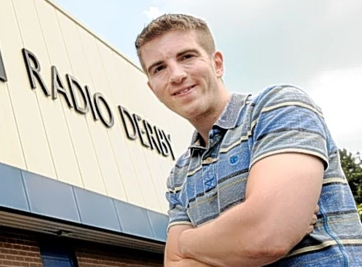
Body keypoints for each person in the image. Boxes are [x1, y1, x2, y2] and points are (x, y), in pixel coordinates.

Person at [134, 14, 362, 266]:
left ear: (217, 64)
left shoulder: (277, 107)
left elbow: (266, 235)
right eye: (159, 68)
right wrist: (243, 233)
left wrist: (187, 243)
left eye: (186, 56)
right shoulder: (179, 177)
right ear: (152, 87)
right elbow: (174, 264)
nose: (175, 75)